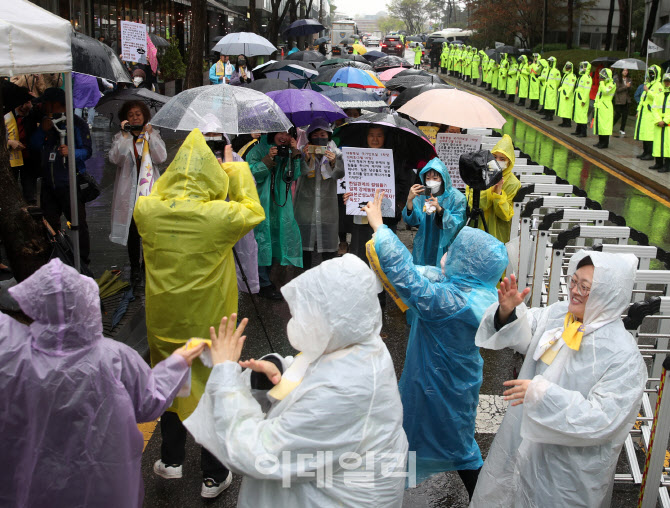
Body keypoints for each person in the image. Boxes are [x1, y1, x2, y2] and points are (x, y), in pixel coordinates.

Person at [183, 254, 409, 508]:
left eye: (312, 310)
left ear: (336, 316)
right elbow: (314, 368)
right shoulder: (360, 342)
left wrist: (225, 375)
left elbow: (257, 453)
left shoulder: (343, 391)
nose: (301, 319)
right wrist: (276, 369)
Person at [0, 258, 206, 508]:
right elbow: (151, 401)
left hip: (32, 490)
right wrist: (179, 360)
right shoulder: (114, 358)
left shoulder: (12, 355)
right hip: (104, 491)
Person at [134, 129, 265, 499]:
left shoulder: (147, 210)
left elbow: (154, 195)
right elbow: (253, 210)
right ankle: (213, 474)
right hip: (211, 321)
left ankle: (171, 460)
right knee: (212, 389)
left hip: (163, 322)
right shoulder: (219, 217)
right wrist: (235, 171)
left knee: (173, 380)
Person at [470, 252, 647, 507]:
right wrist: (507, 313)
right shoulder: (559, 316)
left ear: (607, 295)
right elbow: (526, 327)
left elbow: (603, 419)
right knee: (505, 493)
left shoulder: (623, 355)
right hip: (520, 449)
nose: (574, 291)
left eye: (585, 288)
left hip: (567, 474)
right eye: (573, 282)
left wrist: (542, 396)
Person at [363, 190, 508, 498]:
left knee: (458, 450)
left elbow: (409, 279)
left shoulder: (450, 300)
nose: (446, 253)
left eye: (453, 251)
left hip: (437, 387)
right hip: (451, 384)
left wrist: (379, 227)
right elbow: (421, 274)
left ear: (465, 263)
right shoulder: (472, 290)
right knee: (455, 446)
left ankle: (481, 500)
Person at [30, 87, 92, 265]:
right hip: (49, 185)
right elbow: (34, 145)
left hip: (70, 182)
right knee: (48, 226)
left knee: (78, 224)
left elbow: (87, 151)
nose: (43, 107)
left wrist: (71, 152)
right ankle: (55, 260)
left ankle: (83, 263)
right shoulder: (45, 123)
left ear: (55, 104)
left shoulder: (77, 124)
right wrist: (43, 130)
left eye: (46, 104)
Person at [109, 100, 167, 283]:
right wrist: (126, 137)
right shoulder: (121, 137)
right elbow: (115, 158)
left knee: (149, 230)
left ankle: (147, 266)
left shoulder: (152, 134)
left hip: (148, 189)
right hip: (129, 191)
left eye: (138, 114)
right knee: (133, 231)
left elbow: (161, 157)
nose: (135, 117)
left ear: (144, 116)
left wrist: (151, 137)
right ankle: (135, 266)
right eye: (131, 115)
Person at [246, 129, 303, 299]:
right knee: (261, 239)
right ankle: (262, 283)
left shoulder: (288, 152)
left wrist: (295, 156)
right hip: (261, 202)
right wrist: (268, 159)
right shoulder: (257, 150)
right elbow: (251, 174)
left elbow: (292, 176)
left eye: (288, 133)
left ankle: (264, 279)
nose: (284, 137)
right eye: (280, 133)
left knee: (275, 239)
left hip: (279, 204)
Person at [294, 119, 344, 269]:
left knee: (328, 244)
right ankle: (304, 278)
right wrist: (305, 159)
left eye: (322, 134)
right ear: (309, 137)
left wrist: (334, 162)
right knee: (304, 245)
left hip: (327, 207)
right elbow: (298, 172)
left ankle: (328, 279)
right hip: (305, 206)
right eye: (315, 135)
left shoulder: (336, 153)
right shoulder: (302, 151)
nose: (319, 137)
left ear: (328, 136)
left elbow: (339, 175)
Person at [402, 157, 466, 267]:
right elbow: (412, 220)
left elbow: (458, 224)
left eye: (435, 178)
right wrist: (409, 200)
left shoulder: (457, 198)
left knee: (444, 274)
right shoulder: (422, 195)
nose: (431, 181)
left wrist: (440, 210)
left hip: (446, 245)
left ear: (443, 178)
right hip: (424, 244)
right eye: (428, 178)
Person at [465, 134, 521, 244]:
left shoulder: (513, 183)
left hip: (498, 235)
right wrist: (490, 190)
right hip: (476, 229)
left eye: (502, 159)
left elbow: (505, 215)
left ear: (509, 161)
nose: (497, 161)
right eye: (494, 157)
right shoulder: (479, 175)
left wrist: (498, 193)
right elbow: (473, 204)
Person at [634, 65, 662, 160]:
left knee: (649, 134)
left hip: (650, 113)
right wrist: (638, 110)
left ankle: (650, 154)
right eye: (649, 73)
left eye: (652, 73)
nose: (650, 75)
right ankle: (645, 152)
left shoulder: (658, 85)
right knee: (644, 133)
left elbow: (657, 98)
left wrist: (648, 91)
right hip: (644, 112)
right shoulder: (648, 84)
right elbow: (642, 98)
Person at [649, 72, 670, 172]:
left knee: (668, 145)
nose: (667, 83)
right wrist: (658, 120)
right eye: (666, 81)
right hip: (659, 124)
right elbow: (654, 108)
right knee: (658, 144)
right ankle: (658, 163)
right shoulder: (659, 95)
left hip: (668, 125)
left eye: (668, 81)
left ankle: (667, 165)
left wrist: (665, 121)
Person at [593, 68, 615, 149]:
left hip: (606, 107)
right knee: (600, 125)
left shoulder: (612, 84)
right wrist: (595, 105)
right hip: (600, 106)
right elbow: (598, 95)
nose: (601, 79)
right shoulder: (602, 84)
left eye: (602, 78)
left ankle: (605, 143)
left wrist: (602, 83)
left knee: (605, 126)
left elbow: (605, 91)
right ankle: (600, 141)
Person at [571, 61, 592, 138]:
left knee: (582, 116)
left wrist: (583, 100)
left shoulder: (587, 78)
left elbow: (587, 91)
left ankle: (583, 132)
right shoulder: (581, 77)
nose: (582, 68)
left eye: (583, 67)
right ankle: (578, 131)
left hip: (582, 100)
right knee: (579, 115)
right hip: (578, 99)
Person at [556, 62, 576, 128]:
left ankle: (568, 123)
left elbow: (571, 87)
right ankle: (564, 122)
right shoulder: (565, 75)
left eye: (569, 68)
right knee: (563, 109)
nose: (568, 69)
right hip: (563, 95)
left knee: (567, 110)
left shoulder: (572, 76)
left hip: (567, 96)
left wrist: (567, 95)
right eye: (567, 68)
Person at [613, 68, 632, 136]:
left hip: (626, 100)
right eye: (624, 70)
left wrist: (629, 86)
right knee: (618, 114)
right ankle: (611, 125)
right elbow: (617, 89)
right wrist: (625, 86)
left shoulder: (629, 79)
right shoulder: (618, 79)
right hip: (619, 99)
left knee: (625, 115)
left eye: (626, 70)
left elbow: (630, 89)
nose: (625, 72)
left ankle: (622, 129)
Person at [542, 56, 560, 121]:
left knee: (551, 103)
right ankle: (546, 115)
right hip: (547, 89)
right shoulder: (549, 70)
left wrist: (553, 87)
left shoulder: (556, 71)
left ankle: (550, 116)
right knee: (547, 102)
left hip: (551, 89)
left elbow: (558, 81)